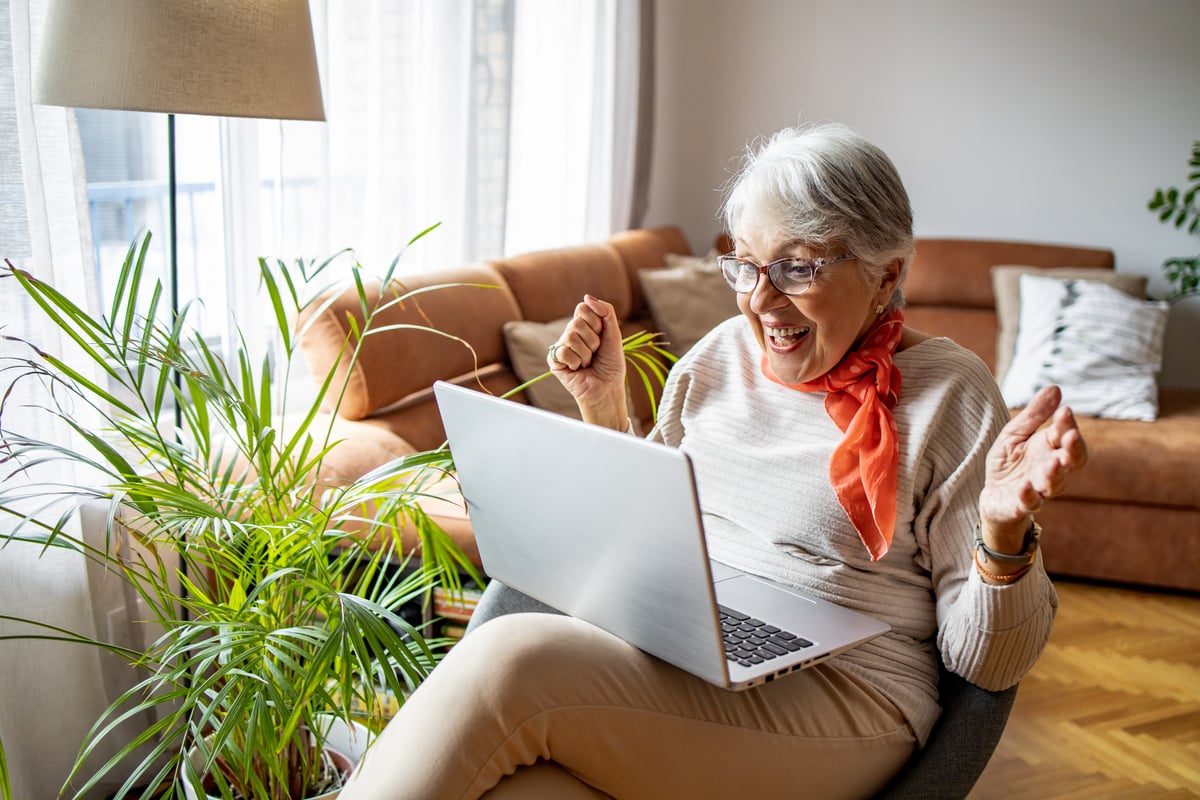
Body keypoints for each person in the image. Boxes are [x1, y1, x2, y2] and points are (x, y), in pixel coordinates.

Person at [340, 122, 1087, 799]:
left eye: (797, 269)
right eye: (747, 265)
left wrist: (1001, 533)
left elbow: (989, 668)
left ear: (885, 275)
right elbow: (644, 530)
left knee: (513, 662)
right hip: (688, 648)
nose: (762, 301)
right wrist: (604, 406)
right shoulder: (718, 357)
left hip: (849, 697)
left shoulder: (952, 394)